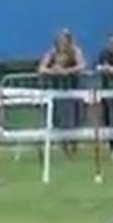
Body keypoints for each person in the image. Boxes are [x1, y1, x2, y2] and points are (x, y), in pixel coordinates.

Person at [38, 29, 87, 157]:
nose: (62, 42)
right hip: (56, 90)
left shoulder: (75, 51)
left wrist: (67, 71)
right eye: (60, 39)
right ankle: (65, 147)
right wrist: (53, 71)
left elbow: (82, 65)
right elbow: (41, 68)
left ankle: (73, 146)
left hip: (72, 89)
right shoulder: (52, 52)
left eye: (64, 39)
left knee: (73, 119)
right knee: (59, 120)